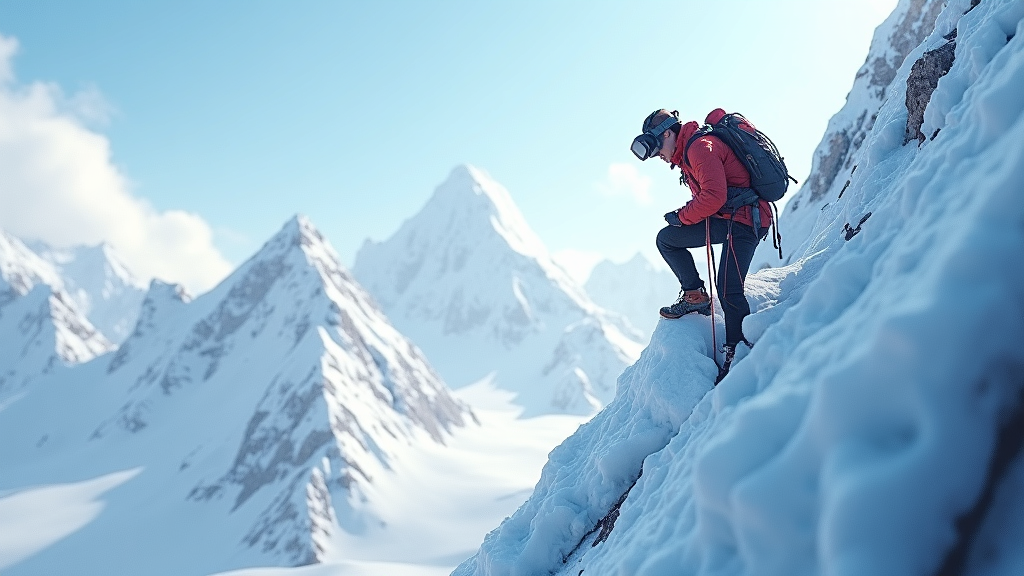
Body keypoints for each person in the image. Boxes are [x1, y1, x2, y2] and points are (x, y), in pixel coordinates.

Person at [631, 108, 772, 378]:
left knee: (728, 288)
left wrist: (682, 216)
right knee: (667, 239)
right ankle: (695, 296)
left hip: (746, 221)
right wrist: (682, 217)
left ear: (668, 134)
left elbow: (714, 197)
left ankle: (737, 351)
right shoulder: (689, 153)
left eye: (658, 149)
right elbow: (713, 196)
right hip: (729, 218)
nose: (659, 156)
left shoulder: (700, 148)